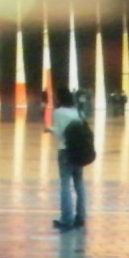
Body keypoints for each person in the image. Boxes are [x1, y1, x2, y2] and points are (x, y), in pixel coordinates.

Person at [46, 88, 87, 231]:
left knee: (65, 185)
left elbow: (59, 132)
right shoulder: (76, 112)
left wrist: (49, 129)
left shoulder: (58, 112)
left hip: (65, 151)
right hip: (79, 151)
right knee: (79, 184)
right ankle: (81, 216)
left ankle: (66, 218)